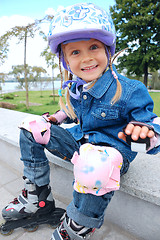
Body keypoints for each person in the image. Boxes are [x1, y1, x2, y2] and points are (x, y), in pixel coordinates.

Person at [2, 3, 160, 240]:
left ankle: (79, 225)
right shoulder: (77, 87)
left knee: (95, 163)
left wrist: (144, 133)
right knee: (32, 127)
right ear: (65, 60)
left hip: (110, 156)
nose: (86, 58)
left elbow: (151, 127)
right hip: (80, 144)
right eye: (75, 52)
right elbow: (71, 110)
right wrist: (55, 118)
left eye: (93, 47)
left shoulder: (129, 89)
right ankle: (38, 198)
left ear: (107, 49)